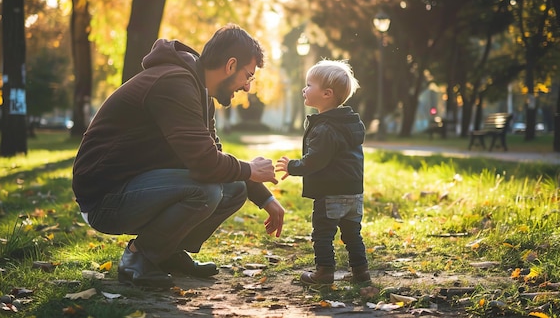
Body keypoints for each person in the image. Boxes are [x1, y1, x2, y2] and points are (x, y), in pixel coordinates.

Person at [72, 24, 285, 289]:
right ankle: (139, 256)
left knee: (235, 188)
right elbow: (205, 164)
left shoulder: (199, 90)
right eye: (248, 76)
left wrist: (266, 198)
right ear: (230, 65)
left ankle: (166, 253)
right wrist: (251, 168)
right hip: (103, 199)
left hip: (136, 187)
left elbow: (214, 157)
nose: (247, 87)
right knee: (206, 191)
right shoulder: (174, 83)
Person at [275, 59, 370, 286]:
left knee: (323, 234)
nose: (304, 89)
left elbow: (316, 161)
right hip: (354, 192)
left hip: (330, 192)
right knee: (352, 234)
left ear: (327, 93)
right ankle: (361, 273)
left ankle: (324, 272)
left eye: (309, 85)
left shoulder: (325, 127)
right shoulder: (348, 123)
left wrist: (293, 166)